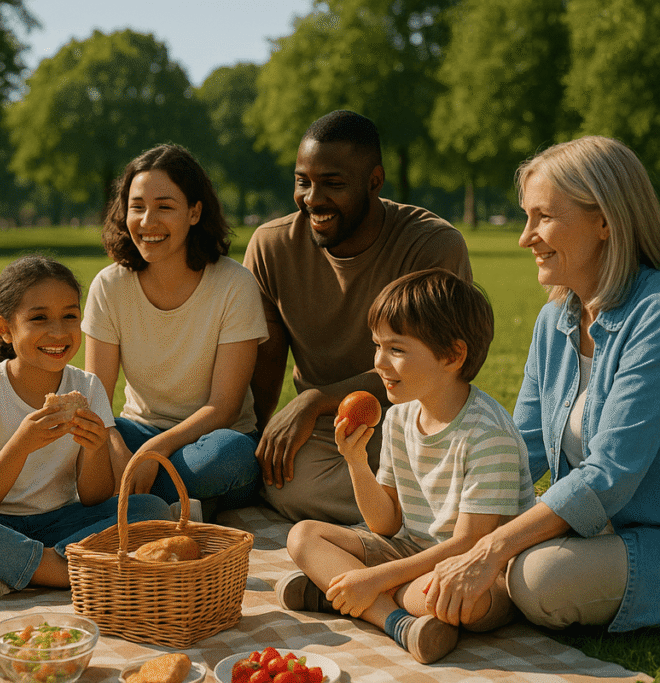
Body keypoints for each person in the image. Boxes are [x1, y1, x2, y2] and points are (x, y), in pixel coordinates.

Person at [423, 136, 660, 635]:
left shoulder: (653, 315)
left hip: (647, 535)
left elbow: (611, 473)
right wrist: (454, 519)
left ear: (605, 221)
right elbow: (519, 448)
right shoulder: (555, 320)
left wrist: (491, 548)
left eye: (543, 217)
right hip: (596, 531)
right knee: (455, 542)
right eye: (525, 217)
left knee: (539, 580)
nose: (525, 237)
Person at [276, 269, 534, 663]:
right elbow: (386, 524)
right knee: (303, 535)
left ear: (452, 355)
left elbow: (469, 544)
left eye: (396, 349)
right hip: (411, 549)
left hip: (476, 569)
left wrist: (375, 577)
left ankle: (343, 592)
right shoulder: (398, 418)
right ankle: (394, 620)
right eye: (377, 345)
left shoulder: (487, 434)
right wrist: (356, 462)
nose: (379, 362)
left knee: (441, 596)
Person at [244, 110, 473, 525]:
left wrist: (315, 399)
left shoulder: (432, 245)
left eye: (333, 183)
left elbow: (437, 367)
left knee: (438, 475)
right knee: (290, 483)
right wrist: (258, 443)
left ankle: (419, 510)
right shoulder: (272, 246)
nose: (312, 198)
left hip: (416, 416)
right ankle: (421, 513)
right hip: (327, 433)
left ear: (374, 180)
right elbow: (266, 363)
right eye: (303, 181)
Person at [0, 255, 171, 598]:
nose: (58, 332)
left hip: (61, 521)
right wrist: (22, 444)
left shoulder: (87, 387)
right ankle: (70, 572)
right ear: (5, 329)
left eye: (69, 316)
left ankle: (13, 568)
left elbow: (94, 497)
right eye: (39, 318)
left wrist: (95, 446)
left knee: (152, 510)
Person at [82, 143, 268, 517]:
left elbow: (225, 406)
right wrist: (114, 440)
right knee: (79, 440)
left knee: (228, 458)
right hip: (138, 431)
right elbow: (95, 398)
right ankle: (167, 506)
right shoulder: (109, 285)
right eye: (137, 207)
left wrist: (155, 452)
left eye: (164, 207)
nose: (147, 221)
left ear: (195, 212)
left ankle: (129, 504)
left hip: (212, 442)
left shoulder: (235, 284)